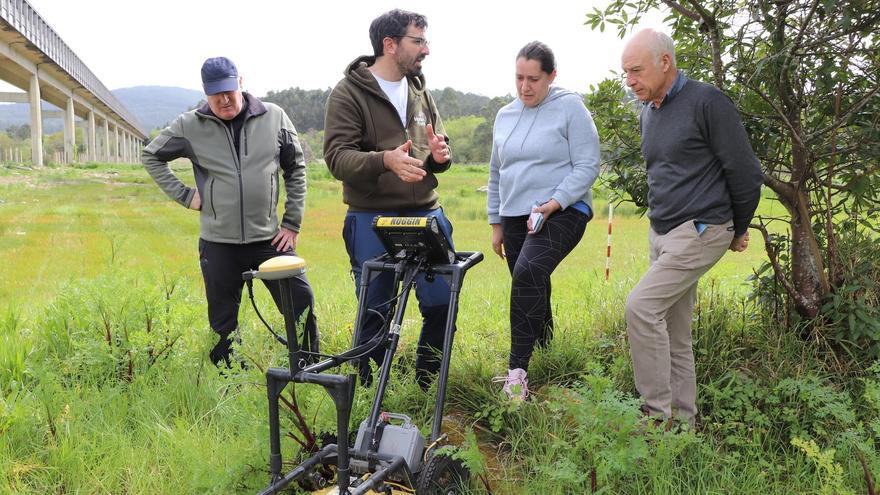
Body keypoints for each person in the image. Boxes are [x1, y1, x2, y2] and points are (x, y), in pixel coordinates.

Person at [621, 29, 763, 426]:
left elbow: (746, 172)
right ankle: (683, 423)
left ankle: (654, 416)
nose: (630, 80)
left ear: (665, 62)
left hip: (701, 228)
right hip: (662, 232)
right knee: (674, 330)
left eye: (636, 70)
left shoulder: (707, 102)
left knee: (641, 307)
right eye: (625, 73)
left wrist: (738, 228)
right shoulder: (649, 111)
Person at [142, 56, 318, 369]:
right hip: (218, 242)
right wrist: (185, 195)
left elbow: (296, 168)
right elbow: (152, 156)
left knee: (300, 303)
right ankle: (230, 381)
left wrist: (292, 222)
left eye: (229, 90)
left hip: (270, 239)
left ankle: (308, 369)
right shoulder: (190, 125)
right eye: (215, 93)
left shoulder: (274, 116)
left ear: (240, 82)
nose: (224, 99)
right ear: (205, 93)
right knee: (223, 322)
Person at [323, 9, 454, 388]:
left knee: (442, 301)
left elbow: (438, 148)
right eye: (418, 41)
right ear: (390, 44)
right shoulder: (348, 94)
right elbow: (337, 158)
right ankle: (368, 396)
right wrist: (386, 161)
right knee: (375, 312)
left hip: (426, 214)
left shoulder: (420, 90)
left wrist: (439, 157)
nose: (426, 50)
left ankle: (428, 388)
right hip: (372, 218)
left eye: (426, 41)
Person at [487, 41, 601, 400]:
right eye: (519, 78)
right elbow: (496, 173)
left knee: (528, 273)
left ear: (552, 75)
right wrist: (496, 222)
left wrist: (556, 201)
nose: (525, 87)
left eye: (534, 79)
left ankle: (516, 372)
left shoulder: (570, 107)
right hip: (515, 215)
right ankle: (548, 354)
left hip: (563, 210)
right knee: (533, 284)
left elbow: (588, 164)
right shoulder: (504, 115)